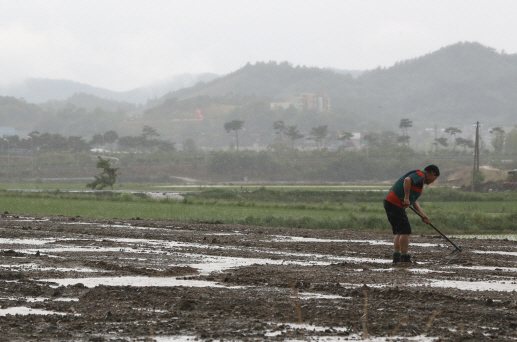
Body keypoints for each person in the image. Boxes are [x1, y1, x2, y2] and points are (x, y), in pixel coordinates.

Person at [383, 165, 440, 264]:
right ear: (432, 174)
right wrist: (406, 198)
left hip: (391, 202)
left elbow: (415, 202)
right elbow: (407, 180)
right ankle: (405, 258)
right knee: (405, 231)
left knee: (400, 231)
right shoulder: (420, 175)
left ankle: (397, 257)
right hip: (394, 202)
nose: (433, 181)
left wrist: (423, 215)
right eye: (434, 179)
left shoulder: (420, 182)